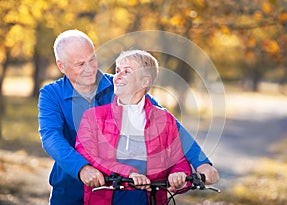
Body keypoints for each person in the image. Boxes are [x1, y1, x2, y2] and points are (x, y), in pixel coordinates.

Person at [38, 29, 219, 205]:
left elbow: (167, 123)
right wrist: (82, 169)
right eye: (80, 64)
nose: (90, 69)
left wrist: (201, 162)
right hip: (71, 183)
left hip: (117, 187)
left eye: (92, 59)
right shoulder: (51, 94)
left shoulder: (120, 85)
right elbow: (51, 137)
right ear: (61, 66)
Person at [75, 49, 192, 205]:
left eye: (127, 71)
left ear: (145, 82)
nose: (118, 76)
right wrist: (127, 172)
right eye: (117, 71)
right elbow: (85, 152)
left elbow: (178, 159)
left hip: (150, 199)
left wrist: (179, 174)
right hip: (107, 197)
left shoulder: (164, 119)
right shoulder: (93, 116)